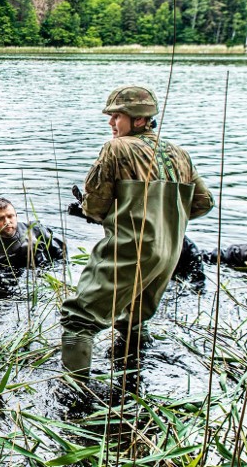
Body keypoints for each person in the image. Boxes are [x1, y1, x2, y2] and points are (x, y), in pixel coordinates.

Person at [60, 85, 214, 384]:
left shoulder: (116, 148)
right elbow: (203, 202)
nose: (110, 123)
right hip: (169, 252)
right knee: (133, 319)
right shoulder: (180, 153)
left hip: (130, 248)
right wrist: (164, 220)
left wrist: (99, 213)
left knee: (79, 320)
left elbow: (97, 204)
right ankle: (131, 379)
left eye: (116, 116)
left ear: (139, 119)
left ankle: (73, 396)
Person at [0, 197, 64, 271]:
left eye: (10, 216)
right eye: (0, 219)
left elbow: (61, 255)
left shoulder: (36, 230)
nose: (7, 222)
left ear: (16, 216)